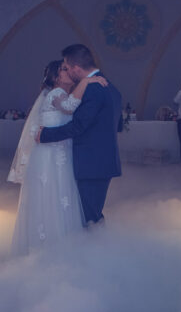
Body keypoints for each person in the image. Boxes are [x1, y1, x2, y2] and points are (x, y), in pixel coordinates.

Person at [10, 60, 108, 255]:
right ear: (55, 77)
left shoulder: (60, 93)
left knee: (62, 197)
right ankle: (50, 248)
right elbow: (69, 107)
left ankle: (62, 245)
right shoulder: (56, 94)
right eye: (63, 70)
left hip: (60, 155)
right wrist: (87, 81)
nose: (68, 72)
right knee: (53, 196)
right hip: (50, 157)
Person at [37, 44, 123, 227]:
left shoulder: (93, 88)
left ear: (76, 68)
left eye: (67, 67)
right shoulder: (111, 87)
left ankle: (96, 246)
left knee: (88, 218)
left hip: (91, 163)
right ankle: (98, 243)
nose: (67, 72)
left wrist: (45, 135)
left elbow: (78, 126)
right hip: (101, 161)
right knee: (91, 214)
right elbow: (119, 126)